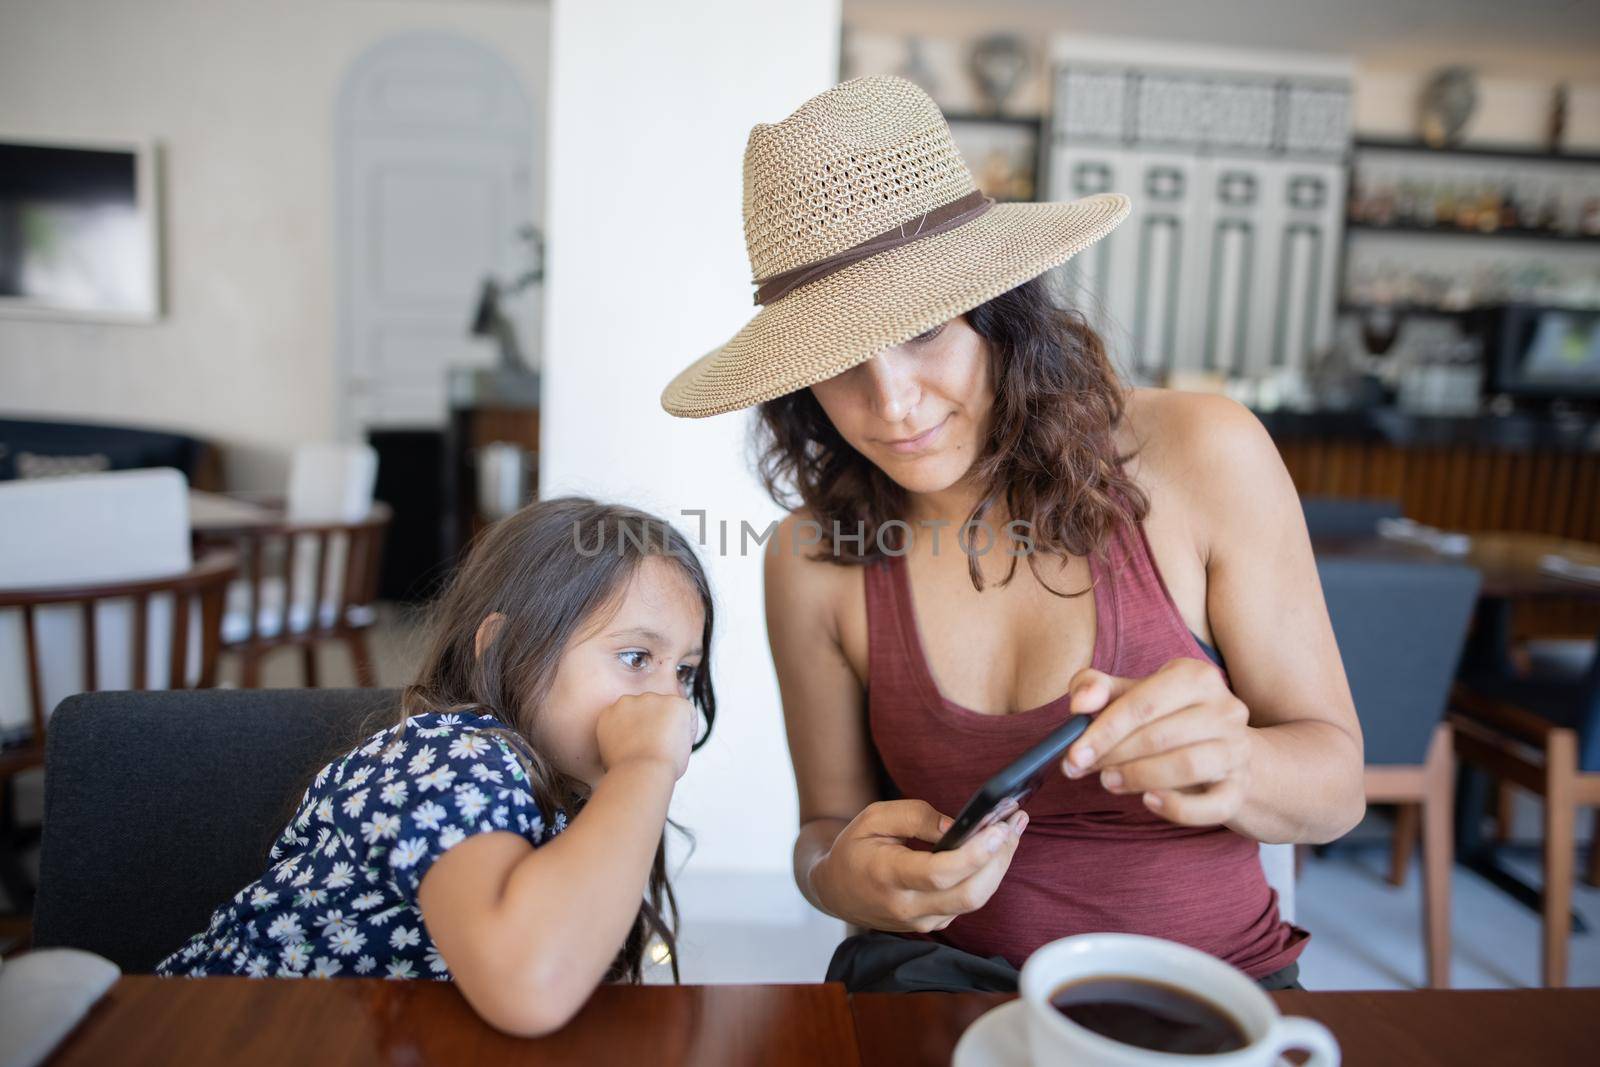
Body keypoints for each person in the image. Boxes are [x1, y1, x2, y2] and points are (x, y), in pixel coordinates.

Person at [660, 76, 1364, 993]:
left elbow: (1337, 787)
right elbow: (824, 831)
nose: (892, 404)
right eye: (838, 366)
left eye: (922, 333)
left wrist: (1237, 763)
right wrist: (843, 876)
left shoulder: (1202, 454)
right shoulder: (813, 558)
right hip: (941, 994)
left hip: (1206, 1000)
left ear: (1000, 315)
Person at [156, 497, 716, 1035]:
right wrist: (644, 763)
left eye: (684, 672)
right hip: (211, 1037)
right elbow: (533, 985)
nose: (672, 703)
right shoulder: (458, 757)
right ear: (505, 649)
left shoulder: (575, 797)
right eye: (636, 657)